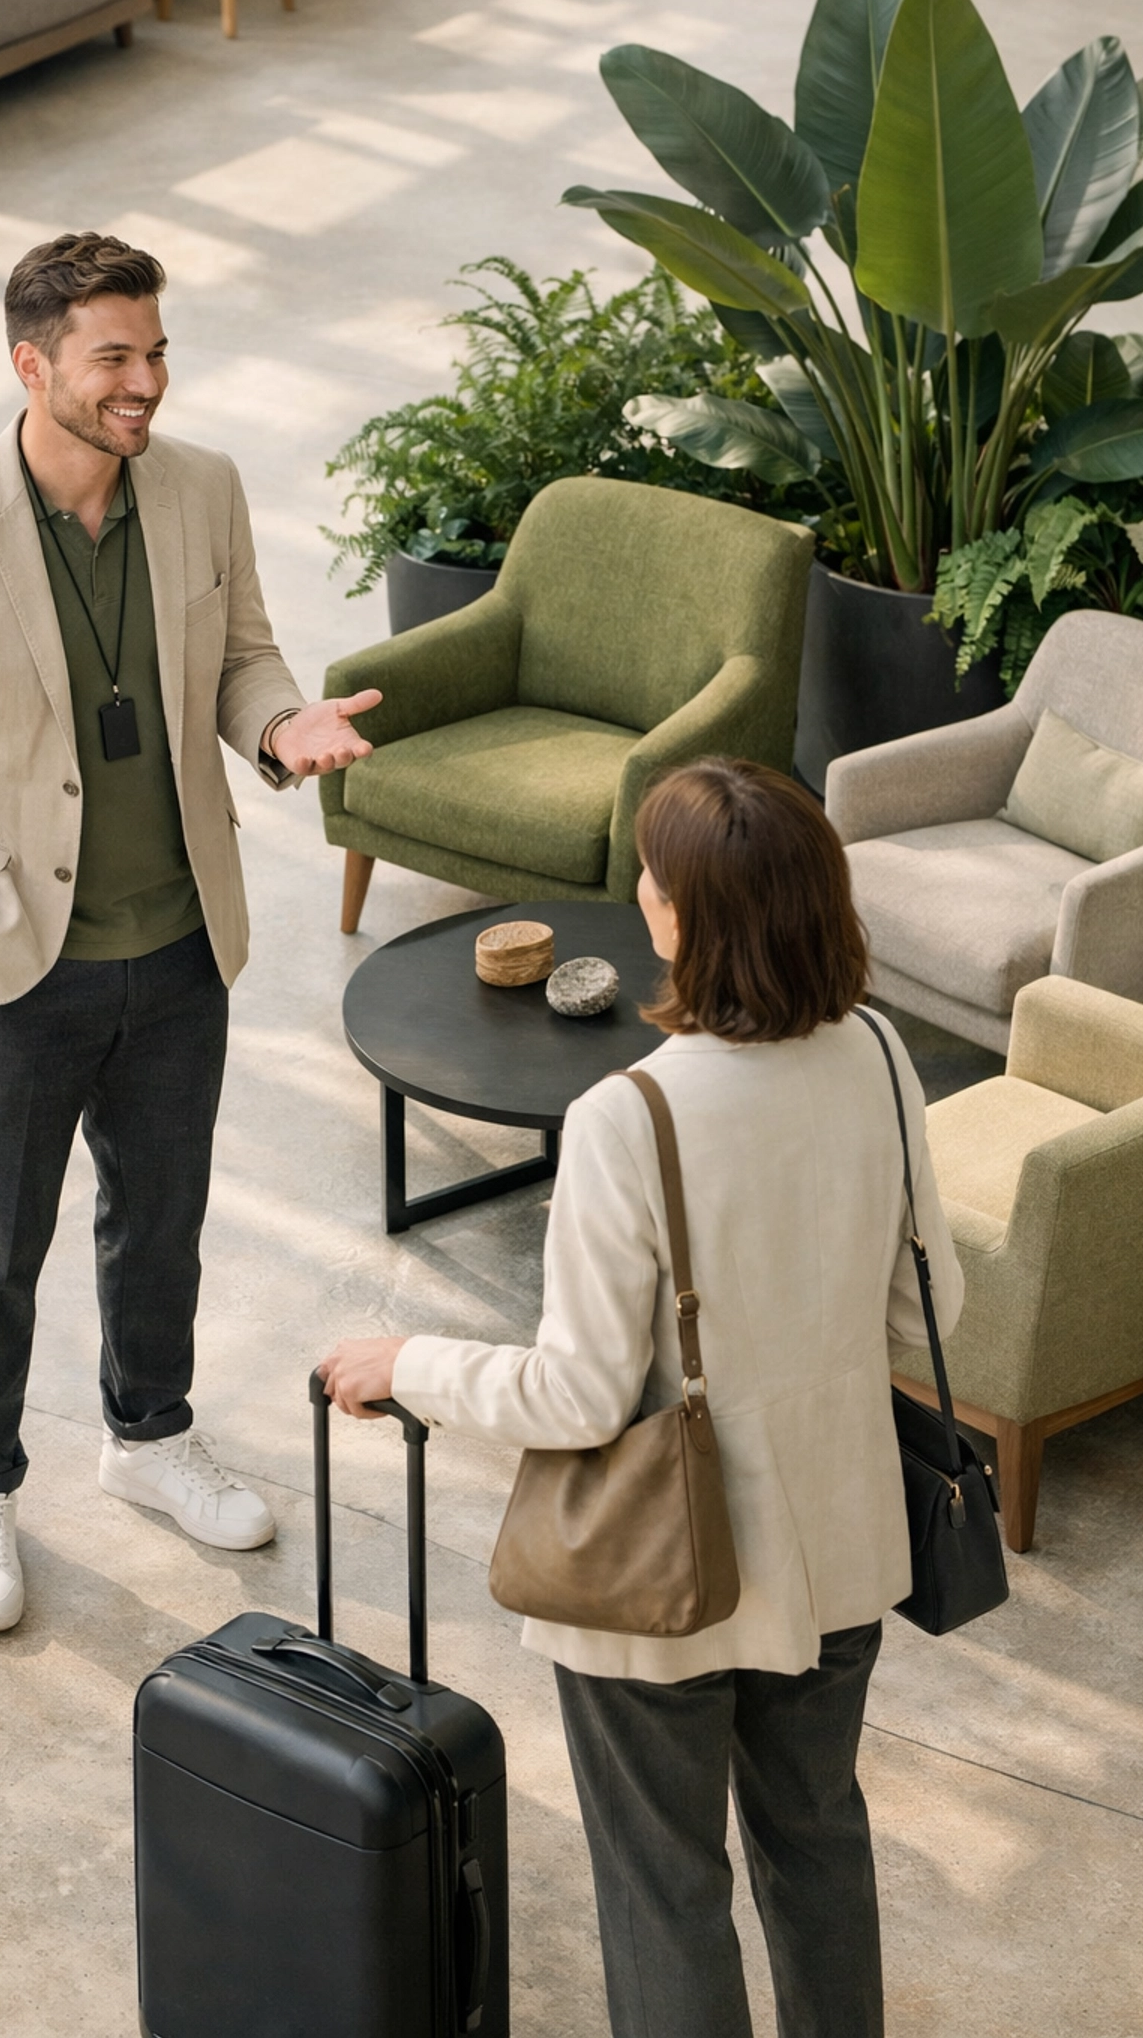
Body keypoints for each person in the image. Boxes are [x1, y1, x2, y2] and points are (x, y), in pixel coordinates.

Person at [320, 758, 963, 2038]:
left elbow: (579, 1393)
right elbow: (931, 1315)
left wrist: (413, 1367)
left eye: (656, 877)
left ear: (689, 920)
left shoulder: (633, 1116)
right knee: (819, 1838)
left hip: (663, 1578)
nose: (641, 890)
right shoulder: (882, 1055)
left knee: (665, 1883)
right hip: (842, 1546)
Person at [0, 232, 380, 1634]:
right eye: (114, 360)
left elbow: (243, 650)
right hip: (18, 959)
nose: (145, 384)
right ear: (34, 367)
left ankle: (148, 1438)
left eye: (156, 353)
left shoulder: (201, 491)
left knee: (163, 1220)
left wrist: (278, 720)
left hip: (180, 943)